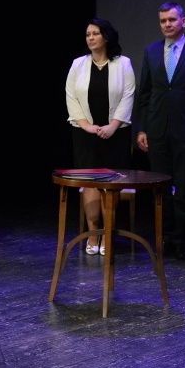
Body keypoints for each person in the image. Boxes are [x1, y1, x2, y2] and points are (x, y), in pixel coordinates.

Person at [135, 1, 185, 260]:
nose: (167, 24)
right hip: (157, 130)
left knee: (181, 188)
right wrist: (141, 129)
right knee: (160, 188)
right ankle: (164, 237)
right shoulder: (151, 51)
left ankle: (180, 239)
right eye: (163, 21)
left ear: (183, 21)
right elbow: (145, 94)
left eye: (171, 19)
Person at [65, 18, 136, 256]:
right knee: (90, 184)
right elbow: (71, 95)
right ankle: (93, 232)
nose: (91, 38)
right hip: (86, 135)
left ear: (106, 36)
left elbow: (128, 95)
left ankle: (108, 232)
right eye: (88, 34)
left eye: (95, 33)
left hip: (115, 135)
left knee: (110, 185)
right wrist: (86, 125)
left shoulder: (123, 63)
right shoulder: (78, 64)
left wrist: (113, 125)